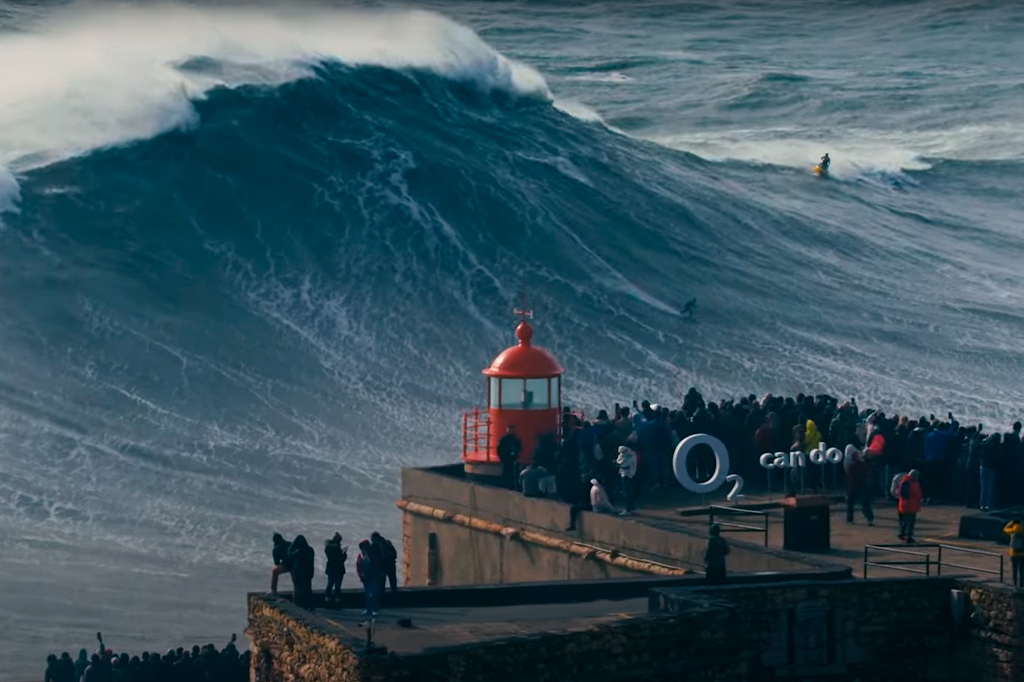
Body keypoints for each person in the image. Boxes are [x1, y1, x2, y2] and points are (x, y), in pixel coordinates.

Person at [845, 437, 874, 525]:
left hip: (852, 486)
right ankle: (869, 518)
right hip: (863, 485)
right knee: (865, 503)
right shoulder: (866, 464)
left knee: (850, 503)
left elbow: (848, 472)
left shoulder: (852, 466)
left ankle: (850, 519)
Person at [287, 535, 315, 609]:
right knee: (308, 589)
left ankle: (299, 605)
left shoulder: (297, 552)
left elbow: (289, 554)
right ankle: (310, 605)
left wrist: (292, 545)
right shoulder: (310, 550)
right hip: (308, 573)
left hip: (298, 573)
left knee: (298, 589)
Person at [897, 469, 923, 543]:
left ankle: (902, 533)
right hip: (909, 505)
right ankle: (908, 536)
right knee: (910, 523)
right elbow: (905, 494)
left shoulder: (908, 482)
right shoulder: (907, 483)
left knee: (905, 521)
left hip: (909, 505)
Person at [370, 531, 399, 596]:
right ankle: (394, 600)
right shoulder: (388, 543)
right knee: (393, 584)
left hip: (382, 568)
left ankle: (382, 601)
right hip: (391, 566)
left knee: (381, 586)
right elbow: (394, 554)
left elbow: (372, 558)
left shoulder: (373, 546)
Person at [356, 539, 380, 616]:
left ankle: (374, 608)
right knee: (367, 594)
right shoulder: (360, 556)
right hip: (365, 578)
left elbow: (375, 566)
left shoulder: (372, 555)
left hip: (372, 576)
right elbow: (358, 566)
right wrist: (360, 575)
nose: (362, 550)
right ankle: (368, 609)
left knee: (373, 593)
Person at [324, 533, 347, 605]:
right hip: (338, 569)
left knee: (329, 585)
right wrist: (344, 554)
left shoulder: (328, 547)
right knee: (337, 586)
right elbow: (340, 559)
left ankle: (328, 601)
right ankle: (337, 603)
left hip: (330, 568)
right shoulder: (337, 548)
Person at [496, 425, 522, 490]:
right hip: (506, 459)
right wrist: (502, 457)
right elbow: (499, 449)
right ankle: (506, 485)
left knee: (511, 472)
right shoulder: (504, 439)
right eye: (509, 429)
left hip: (512, 459)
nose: (510, 431)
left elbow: (519, 447)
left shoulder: (515, 439)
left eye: (511, 430)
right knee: (506, 472)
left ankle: (510, 485)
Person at [616, 444, 638, 515]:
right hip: (629, 475)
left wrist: (619, 464)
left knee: (627, 492)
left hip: (626, 475)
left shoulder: (628, 455)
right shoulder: (631, 454)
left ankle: (628, 509)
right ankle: (631, 507)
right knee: (629, 491)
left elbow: (624, 464)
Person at [1004, 519, 1024, 588]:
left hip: (1013, 553)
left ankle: (1015, 583)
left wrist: (1011, 523)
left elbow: (1005, 529)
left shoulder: (1012, 531)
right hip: (1022, 553)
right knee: (1021, 570)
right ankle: (1021, 584)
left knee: (1014, 569)